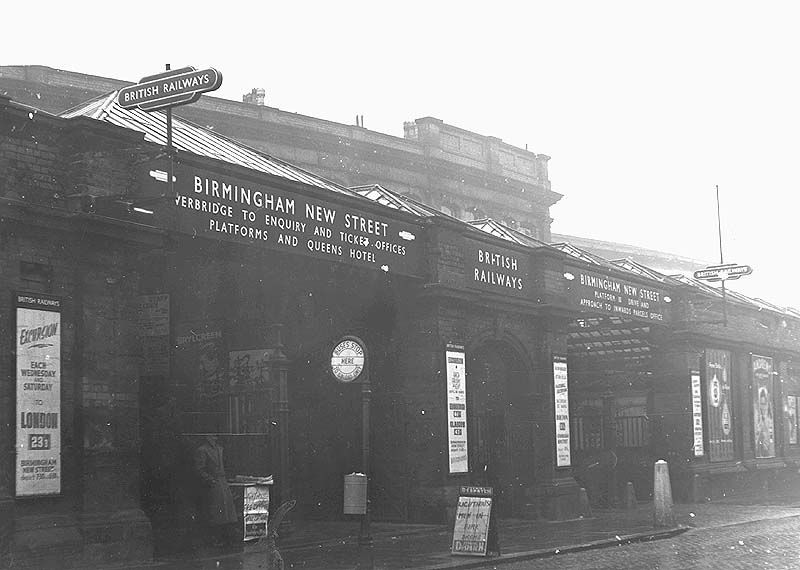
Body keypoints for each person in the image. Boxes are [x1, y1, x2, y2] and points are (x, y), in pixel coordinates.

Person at [194, 435, 238, 550]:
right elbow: (199, 469)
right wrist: (210, 480)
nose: (214, 438)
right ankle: (216, 539)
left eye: (215, 436)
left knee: (228, 513)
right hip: (214, 484)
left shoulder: (220, 449)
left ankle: (226, 539)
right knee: (216, 513)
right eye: (211, 436)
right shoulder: (202, 450)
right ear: (207, 437)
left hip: (223, 482)